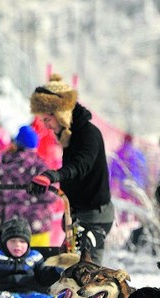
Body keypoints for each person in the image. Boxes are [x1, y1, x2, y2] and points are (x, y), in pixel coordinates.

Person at [28, 73, 114, 263]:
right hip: (76, 213)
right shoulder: (71, 135)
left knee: (86, 269)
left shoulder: (88, 134)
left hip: (95, 215)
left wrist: (53, 175)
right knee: (69, 264)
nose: (46, 126)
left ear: (60, 115)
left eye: (47, 120)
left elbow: (80, 166)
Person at [0, 125, 61, 246]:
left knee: (14, 262)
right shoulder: (40, 166)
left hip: (12, 227)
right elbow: (52, 195)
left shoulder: (4, 165)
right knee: (40, 259)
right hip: (38, 222)